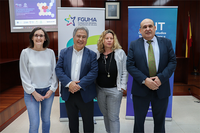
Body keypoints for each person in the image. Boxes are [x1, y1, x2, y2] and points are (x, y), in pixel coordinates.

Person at [126, 18, 177, 133]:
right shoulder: (134, 45)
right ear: (140, 30)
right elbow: (130, 65)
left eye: (150, 26)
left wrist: (161, 78)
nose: (147, 29)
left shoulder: (166, 42)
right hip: (141, 89)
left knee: (160, 122)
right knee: (138, 122)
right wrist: (145, 80)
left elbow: (172, 62)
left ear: (155, 28)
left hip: (161, 88)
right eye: (144, 27)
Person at [55, 26, 98, 133]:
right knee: (72, 122)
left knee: (88, 122)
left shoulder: (92, 54)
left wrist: (78, 85)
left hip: (85, 92)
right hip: (69, 93)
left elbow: (93, 72)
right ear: (73, 37)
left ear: (87, 39)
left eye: (84, 37)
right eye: (78, 36)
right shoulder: (64, 52)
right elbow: (58, 69)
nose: (81, 39)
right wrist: (69, 84)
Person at [19, 27, 58, 133]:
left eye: (41, 35)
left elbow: (54, 73)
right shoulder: (25, 53)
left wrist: (52, 89)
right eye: (36, 35)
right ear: (32, 37)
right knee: (34, 123)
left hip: (47, 92)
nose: (39, 37)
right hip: (31, 92)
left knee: (46, 120)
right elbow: (24, 75)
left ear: (45, 38)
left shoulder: (50, 53)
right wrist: (33, 92)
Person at [96, 29, 128, 133]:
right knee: (105, 115)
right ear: (102, 40)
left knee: (113, 117)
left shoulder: (120, 53)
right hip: (100, 90)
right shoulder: (98, 54)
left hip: (115, 90)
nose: (109, 40)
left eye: (111, 38)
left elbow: (125, 70)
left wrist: (122, 87)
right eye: (107, 38)